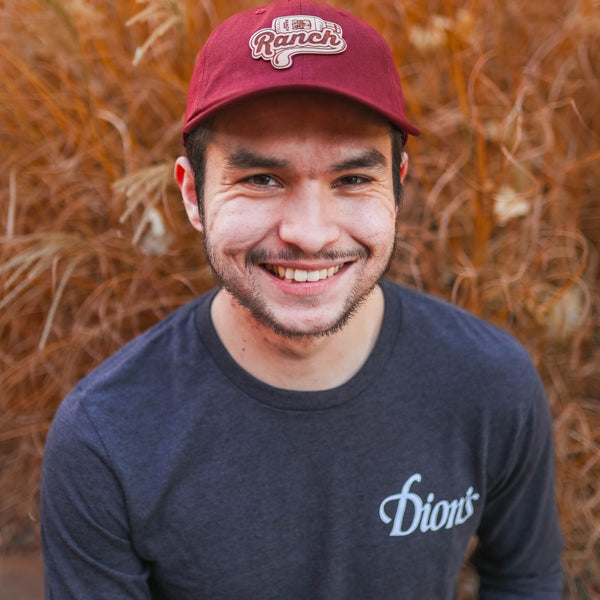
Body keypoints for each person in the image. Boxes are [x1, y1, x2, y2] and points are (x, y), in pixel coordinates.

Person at [40, 1, 563, 598]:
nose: (310, 234)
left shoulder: (489, 381)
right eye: (262, 179)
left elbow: (526, 579)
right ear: (192, 195)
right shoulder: (107, 436)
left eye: (352, 179)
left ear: (398, 185)